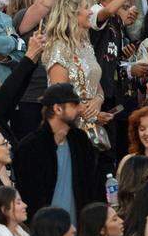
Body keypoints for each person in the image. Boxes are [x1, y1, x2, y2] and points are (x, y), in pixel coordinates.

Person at [13, 83, 102, 220]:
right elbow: (28, 196)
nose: (80, 109)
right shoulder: (29, 148)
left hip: (79, 230)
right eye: (74, 105)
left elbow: (92, 185)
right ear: (58, 109)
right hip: (45, 231)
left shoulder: (80, 141)